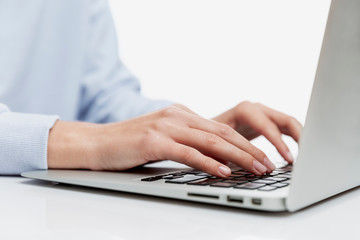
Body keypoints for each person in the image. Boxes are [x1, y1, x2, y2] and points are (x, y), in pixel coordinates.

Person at [0, 1, 302, 177]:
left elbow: (104, 95)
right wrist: (94, 142)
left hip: (51, 205)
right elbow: (101, 133)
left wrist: (194, 133)